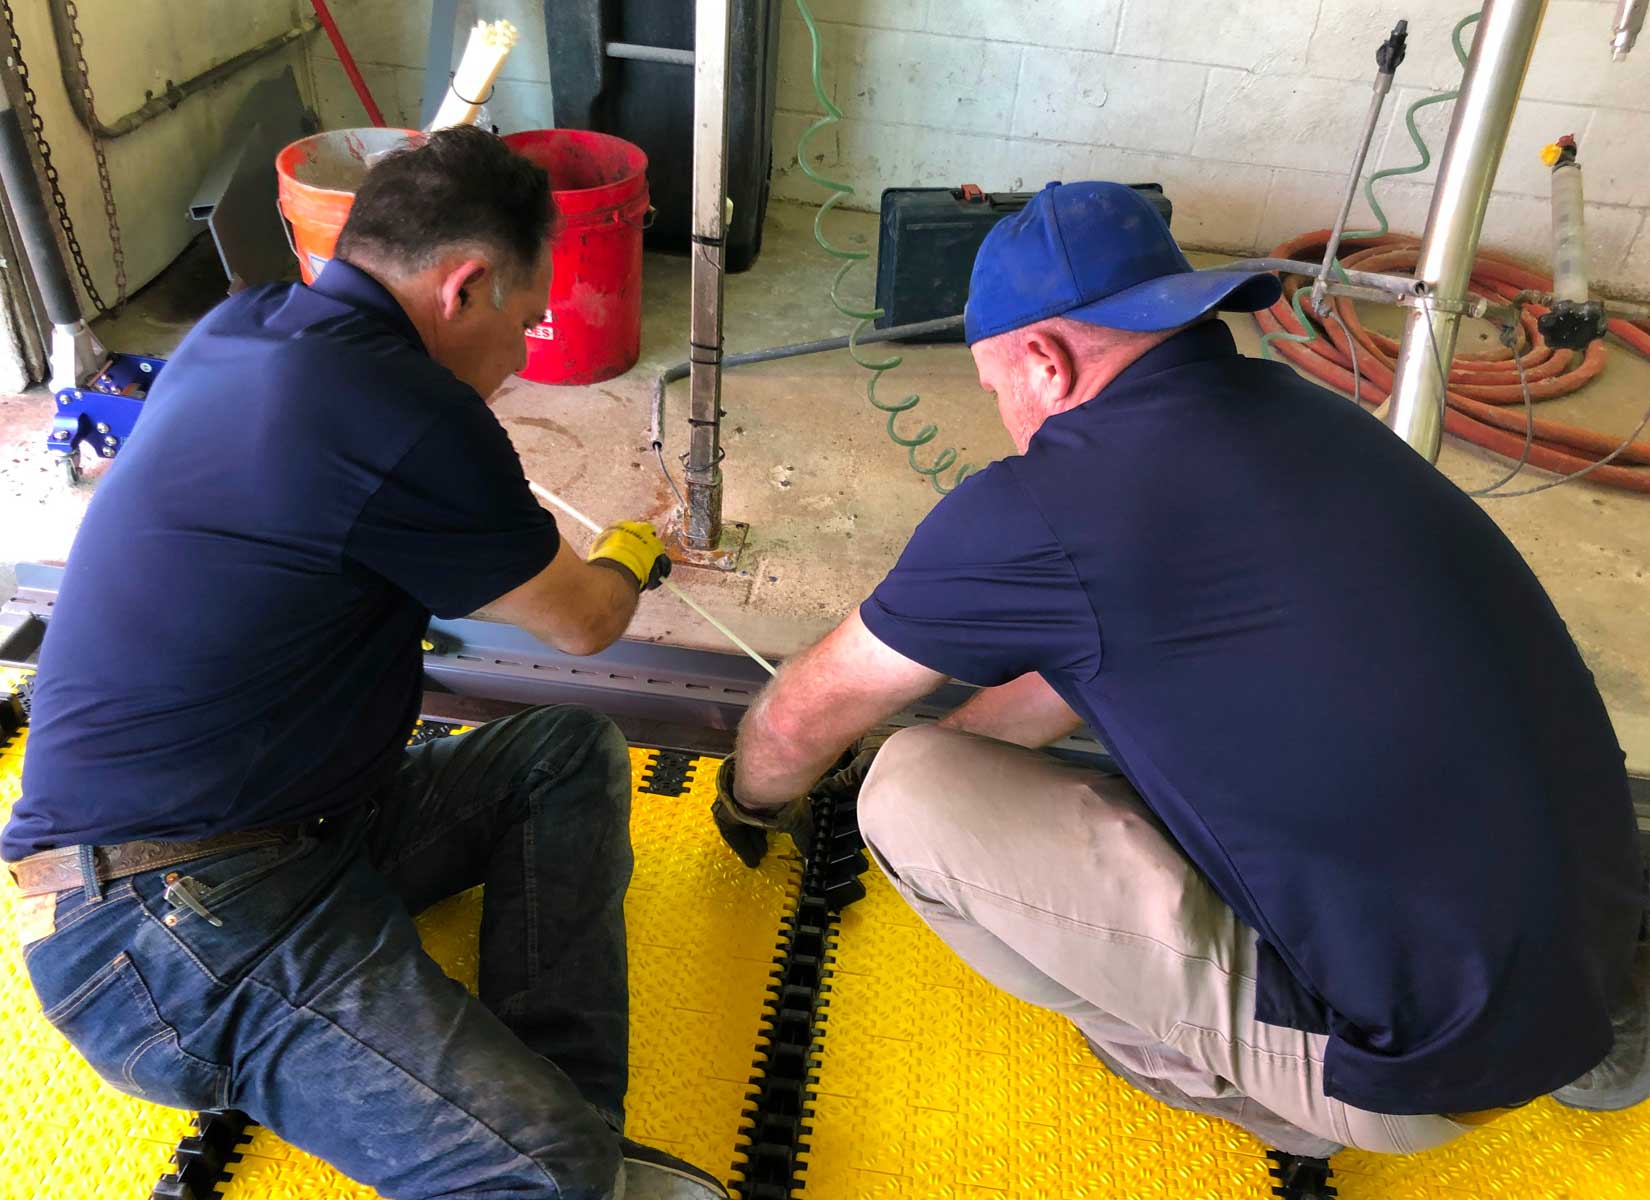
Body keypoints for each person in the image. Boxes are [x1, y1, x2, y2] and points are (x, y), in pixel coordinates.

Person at [714, 181, 1649, 1158]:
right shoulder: (1316, 421)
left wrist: (752, 806)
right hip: (1584, 940)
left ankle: (1262, 1096)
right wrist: (970, 740)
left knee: (904, 794)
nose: (1004, 418)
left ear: (1041, 358)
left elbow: (797, 722)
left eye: (995, 392)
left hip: (1416, 1066)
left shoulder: (1046, 508)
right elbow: (1094, 648)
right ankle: (1592, 1033)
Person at [5, 127, 728, 1200]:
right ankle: (564, 1161)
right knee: (551, 1174)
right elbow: (582, 623)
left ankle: (566, 1114)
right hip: (159, 932)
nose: (524, 356)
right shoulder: (410, 417)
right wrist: (633, 545)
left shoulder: (241, 323)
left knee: (565, 750)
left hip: (296, 828)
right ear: (466, 286)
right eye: (525, 321)